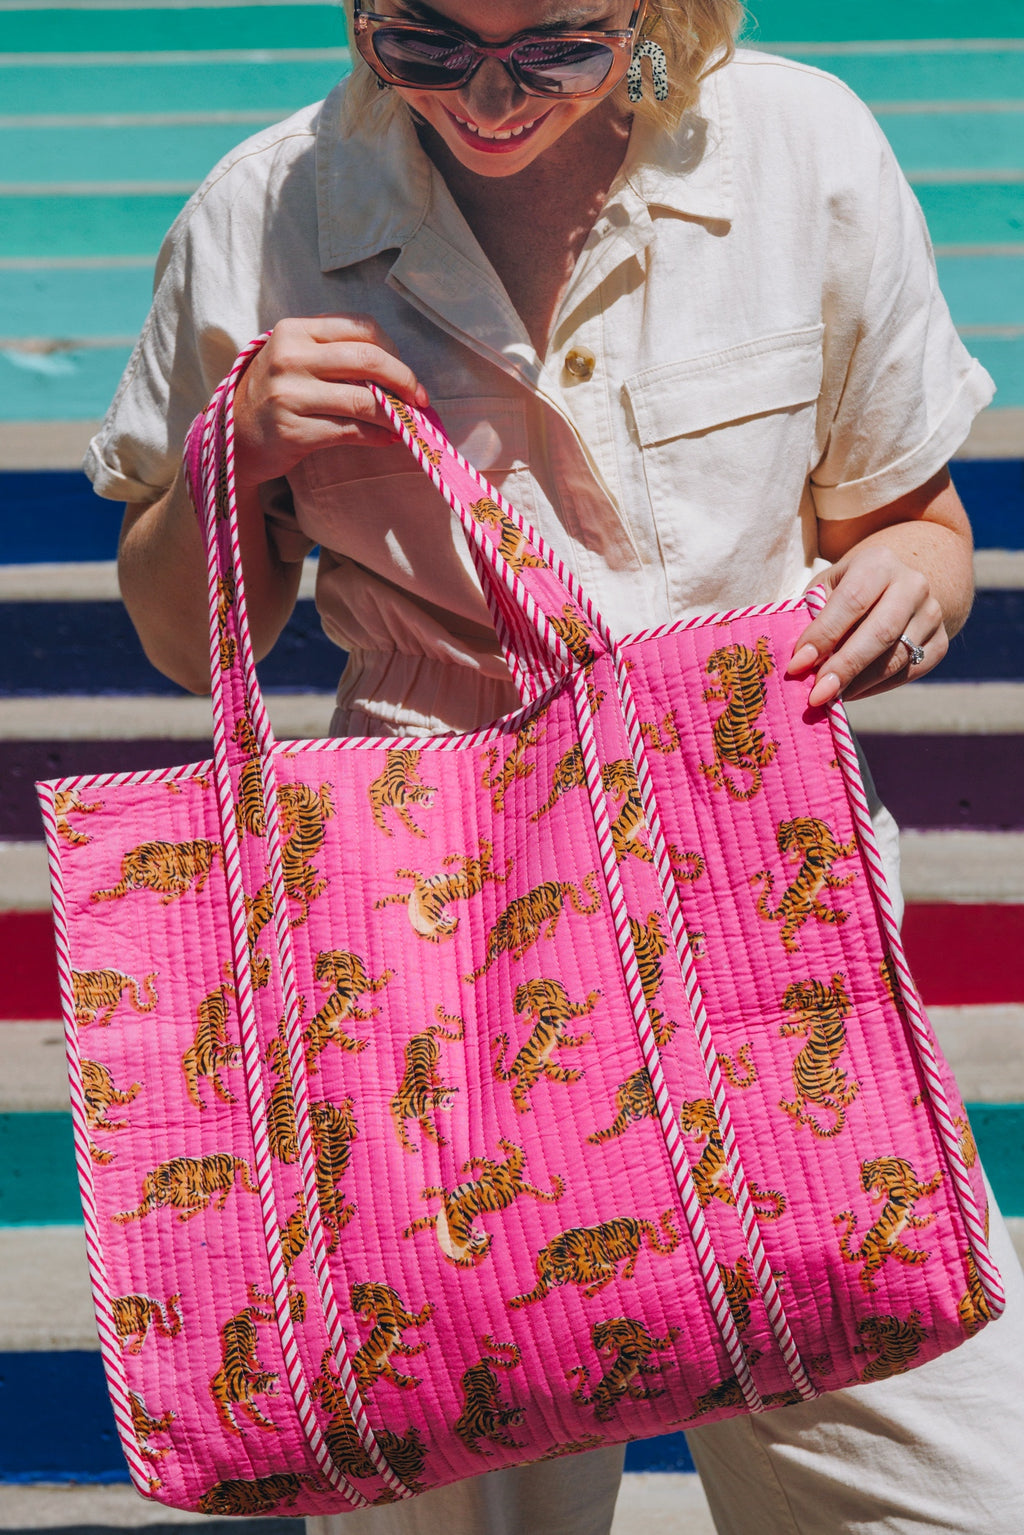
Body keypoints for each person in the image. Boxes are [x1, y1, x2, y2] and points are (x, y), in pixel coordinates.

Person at [86, 2, 1024, 1530]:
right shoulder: (266, 210)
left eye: (558, 48)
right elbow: (196, 651)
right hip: (415, 940)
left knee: (944, 1488)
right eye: (426, 43)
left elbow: (911, 522)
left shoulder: (804, 152)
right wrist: (232, 451)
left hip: (757, 900)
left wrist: (913, 587)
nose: (489, 91)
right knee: (455, 1494)